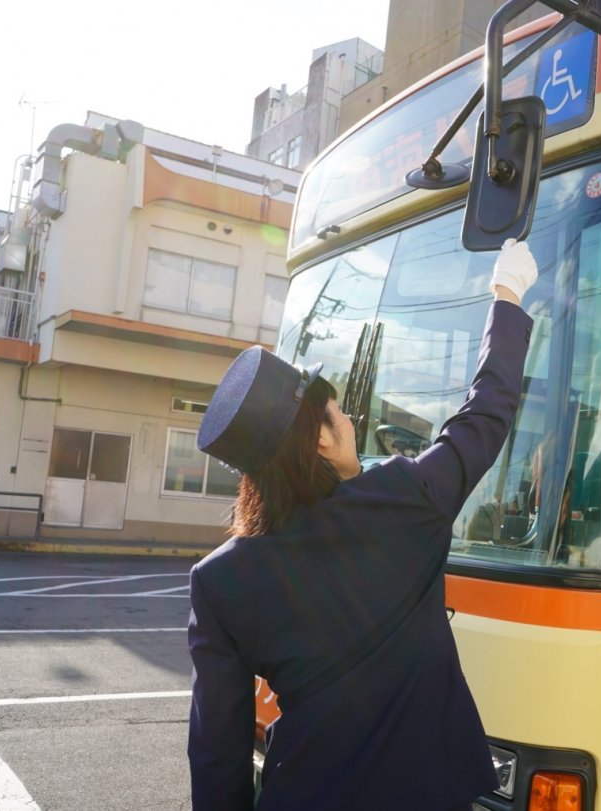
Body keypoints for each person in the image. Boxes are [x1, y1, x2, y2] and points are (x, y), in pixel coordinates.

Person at [186, 239, 538, 810]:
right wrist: (507, 292)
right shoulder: (404, 498)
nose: (350, 419)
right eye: (338, 412)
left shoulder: (221, 580)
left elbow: (216, 751)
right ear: (321, 438)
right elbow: (485, 415)